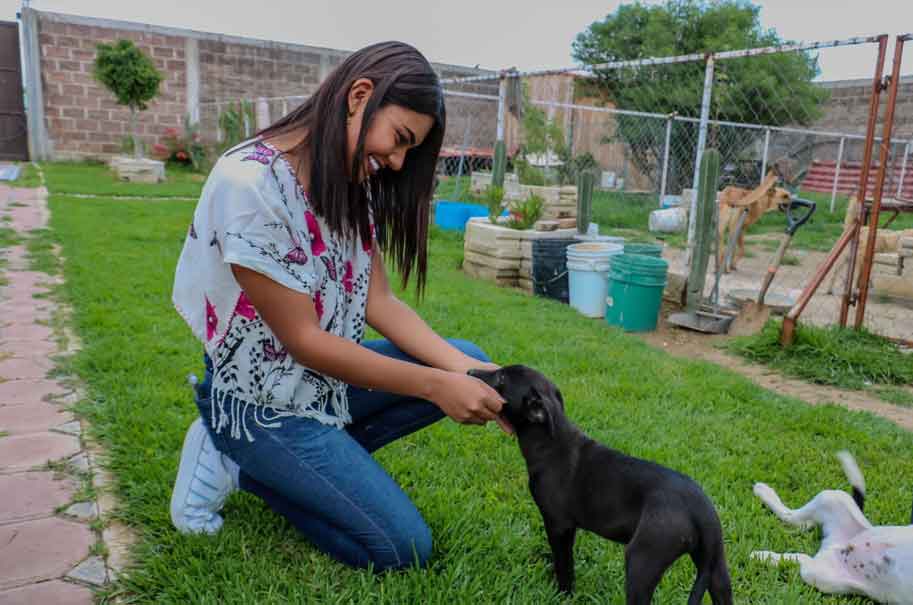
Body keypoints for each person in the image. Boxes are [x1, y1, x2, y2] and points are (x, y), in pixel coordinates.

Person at [168, 41, 510, 573]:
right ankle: (236, 458)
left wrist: (473, 373)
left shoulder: (350, 181)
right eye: (399, 140)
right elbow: (304, 341)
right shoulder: (251, 184)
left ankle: (309, 467)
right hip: (261, 402)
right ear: (359, 96)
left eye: (408, 152)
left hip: (316, 387)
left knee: (465, 356)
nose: (396, 162)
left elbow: (380, 301)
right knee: (402, 549)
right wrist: (438, 385)